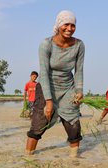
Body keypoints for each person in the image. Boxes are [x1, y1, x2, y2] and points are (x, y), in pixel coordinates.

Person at [25, 10, 85, 157]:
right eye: (66, 24)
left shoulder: (79, 45)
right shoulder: (46, 44)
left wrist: (79, 90)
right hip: (47, 86)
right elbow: (43, 73)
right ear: (58, 25)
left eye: (73, 25)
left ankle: (74, 160)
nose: (69, 28)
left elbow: (78, 70)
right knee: (39, 124)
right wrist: (49, 101)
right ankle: (28, 158)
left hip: (67, 87)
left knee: (73, 124)